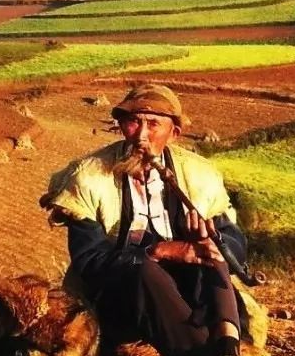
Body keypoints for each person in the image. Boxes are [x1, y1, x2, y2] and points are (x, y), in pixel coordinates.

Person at [40, 84, 263, 356]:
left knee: (210, 254)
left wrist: (209, 242)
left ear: (174, 133)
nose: (141, 136)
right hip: (121, 290)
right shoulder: (89, 177)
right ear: (121, 126)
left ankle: (227, 341)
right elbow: (88, 259)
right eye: (133, 122)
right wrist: (158, 251)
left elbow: (235, 243)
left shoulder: (198, 175)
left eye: (154, 124)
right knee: (143, 269)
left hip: (187, 287)